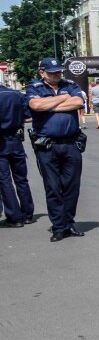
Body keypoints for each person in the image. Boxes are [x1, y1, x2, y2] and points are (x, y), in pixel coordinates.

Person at [26, 58, 86, 241]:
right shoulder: (35, 87)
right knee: (53, 187)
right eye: (52, 72)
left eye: (59, 71)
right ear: (42, 72)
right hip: (47, 145)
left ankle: (68, 223)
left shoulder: (70, 84)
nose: (57, 75)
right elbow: (35, 106)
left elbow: (78, 102)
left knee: (71, 187)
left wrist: (49, 105)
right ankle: (59, 227)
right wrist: (62, 98)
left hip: (71, 144)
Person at [0, 79, 34, 228]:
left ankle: (14, 216)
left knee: (4, 180)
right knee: (21, 178)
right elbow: (28, 116)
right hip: (16, 139)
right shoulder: (16, 94)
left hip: (1, 141)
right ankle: (27, 213)